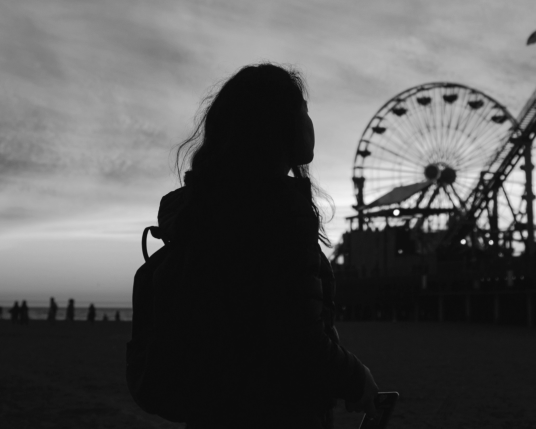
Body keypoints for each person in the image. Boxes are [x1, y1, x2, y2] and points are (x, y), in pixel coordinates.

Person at [160, 63, 378, 428]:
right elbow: (295, 336)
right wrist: (356, 378)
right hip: (275, 410)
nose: (310, 123)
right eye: (305, 111)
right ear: (281, 126)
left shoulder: (204, 210)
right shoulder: (277, 215)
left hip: (215, 410)